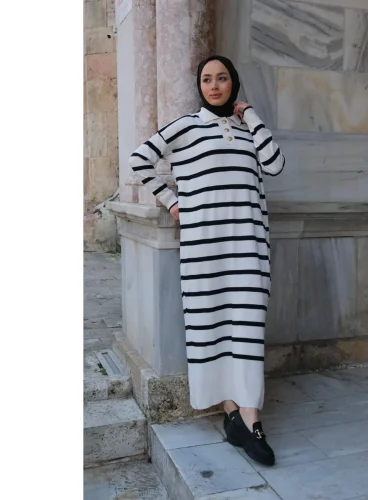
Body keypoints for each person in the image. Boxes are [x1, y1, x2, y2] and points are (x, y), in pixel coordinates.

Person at [128, 55, 285, 466]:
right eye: (207, 79)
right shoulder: (186, 126)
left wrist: (251, 115)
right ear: (200, 86)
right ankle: (231, 412)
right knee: (211, 328)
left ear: (234, 83)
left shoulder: (248, 130)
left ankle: (251, 419)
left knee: (247, 332)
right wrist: (172, 201)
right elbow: (139, 159)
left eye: (222, 78)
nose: (214, 86)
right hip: (204, 251)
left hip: (249, 248)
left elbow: (275, 165)